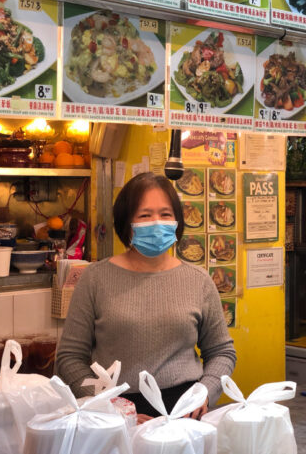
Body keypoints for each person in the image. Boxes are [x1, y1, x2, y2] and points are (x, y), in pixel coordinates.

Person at [56, 172, 236, 423]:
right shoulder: (96, 278)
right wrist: (110, 407)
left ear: (177, 221)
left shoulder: (199, 280)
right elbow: (69, 358)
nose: (156, 222)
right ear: (126, 222)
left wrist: (205, 391)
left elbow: (221, 352)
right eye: (144, 215)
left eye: (165, 214)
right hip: (116, 414)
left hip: (185, 414)